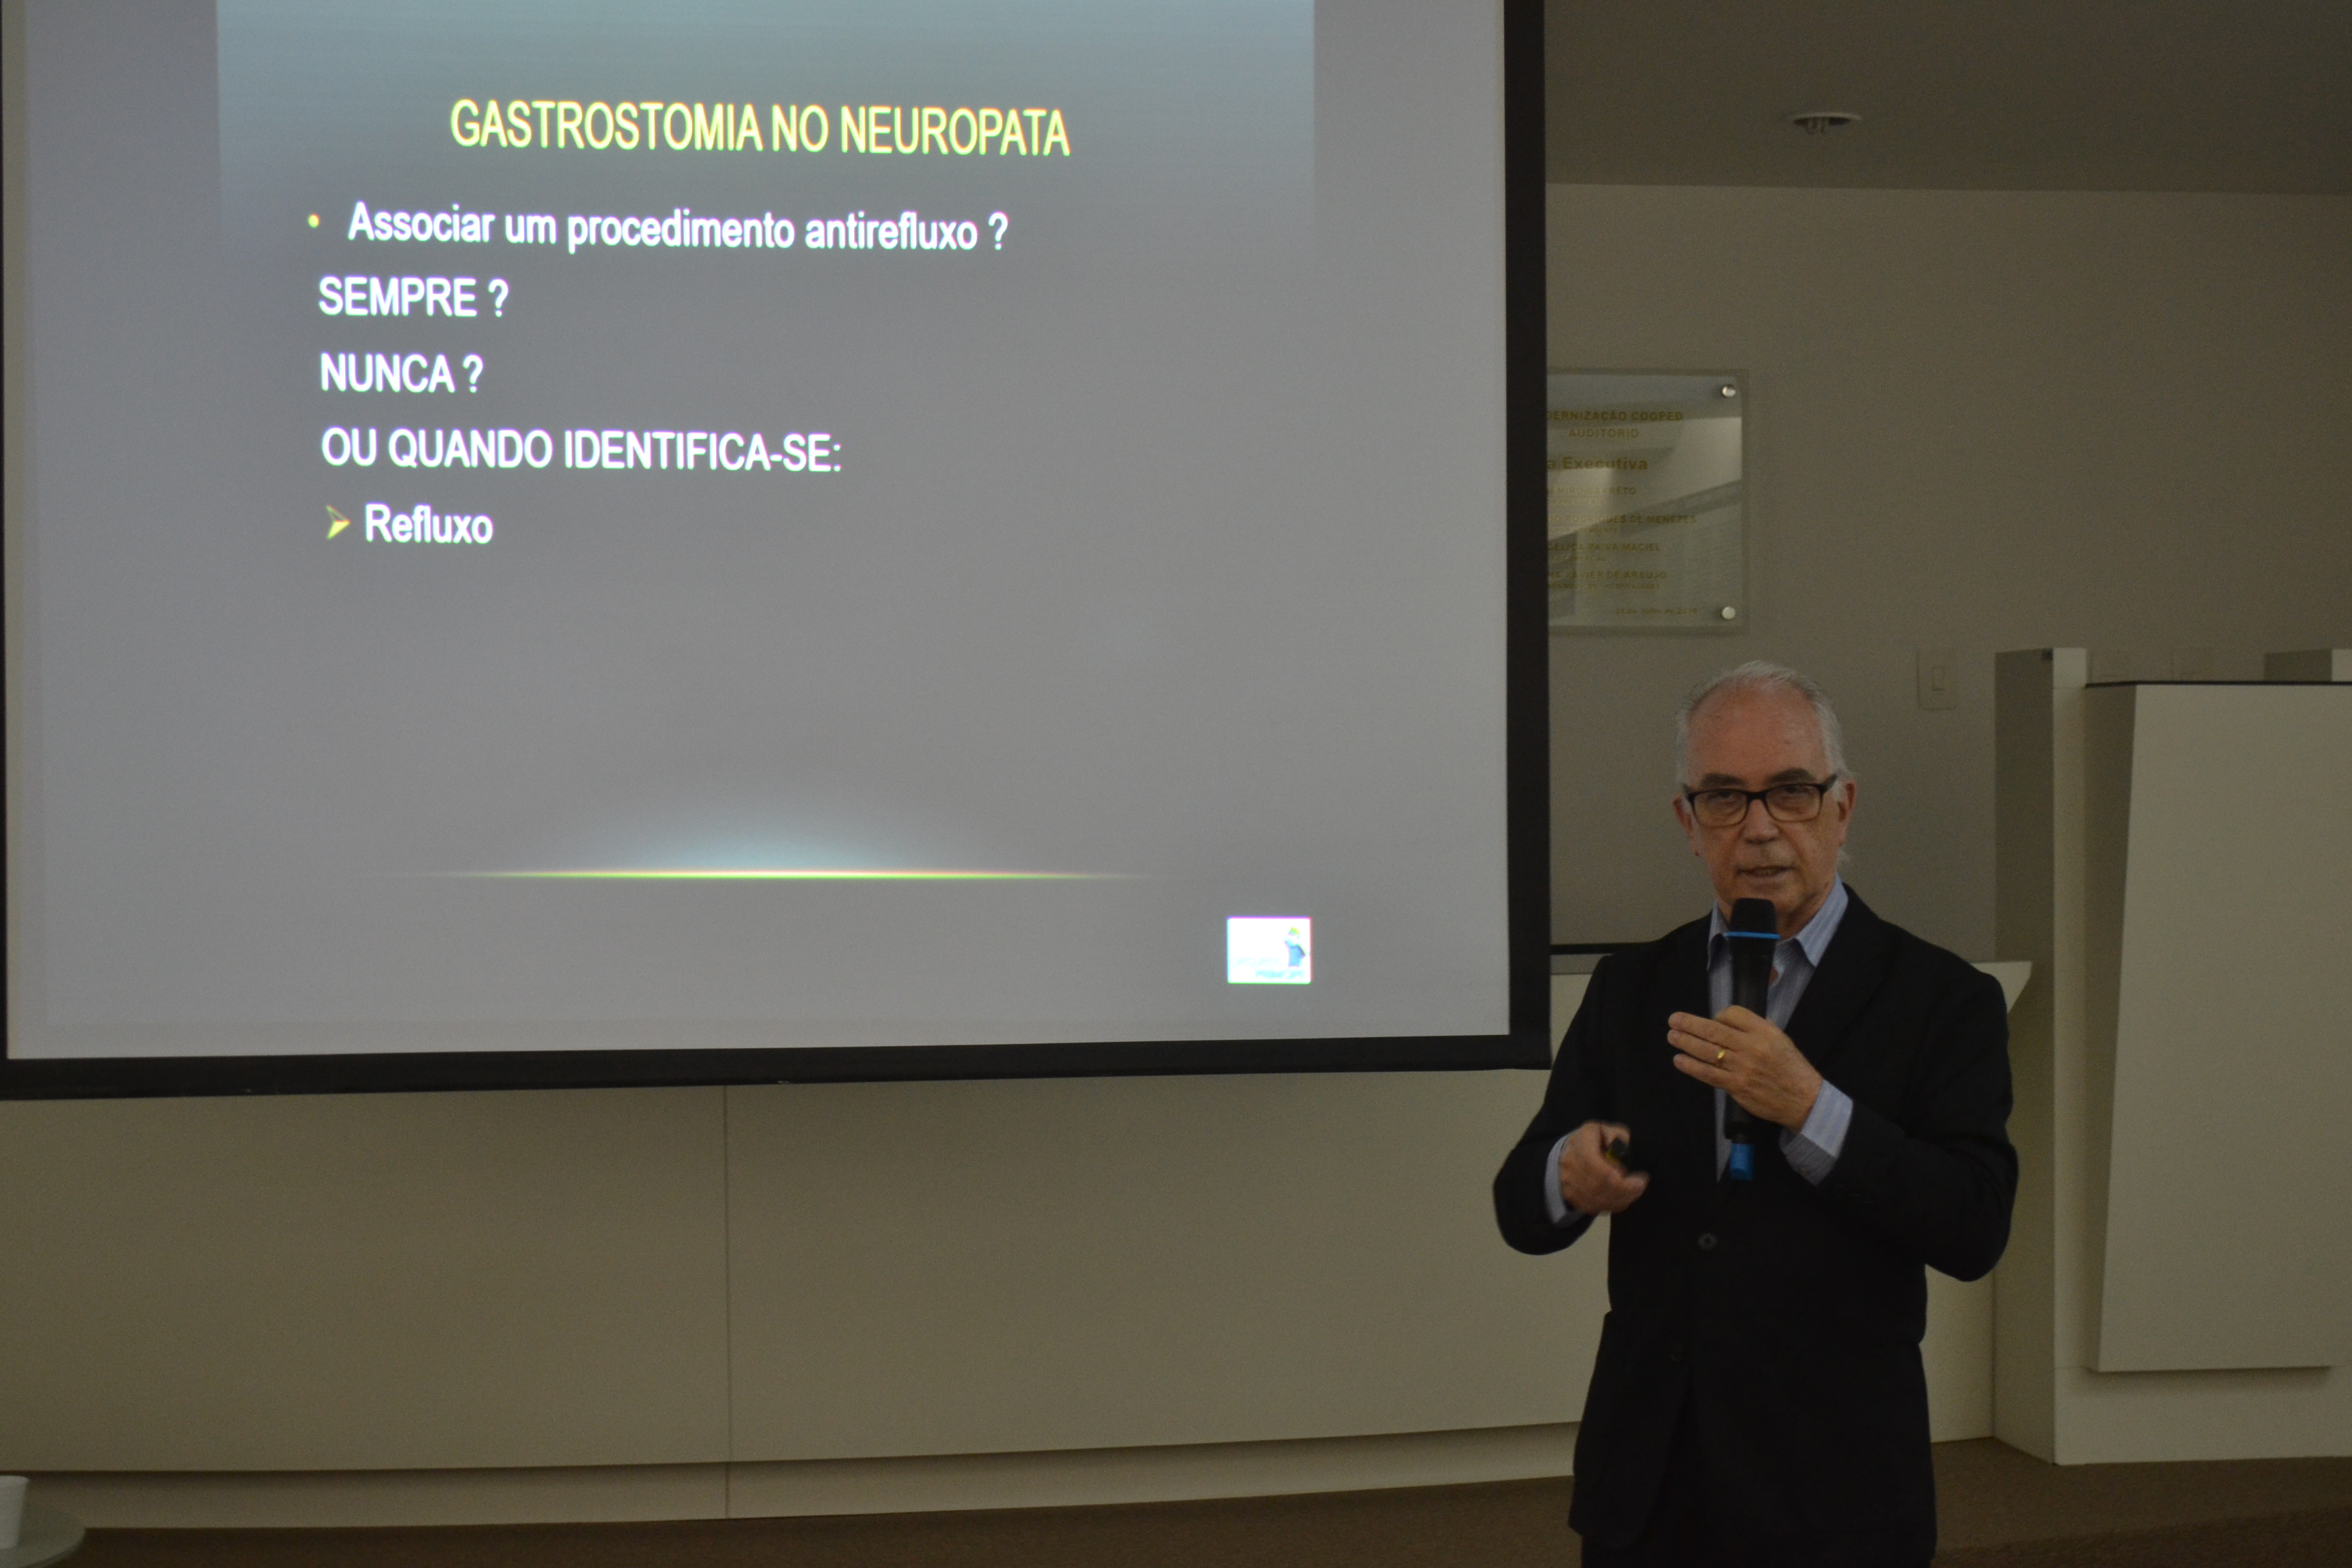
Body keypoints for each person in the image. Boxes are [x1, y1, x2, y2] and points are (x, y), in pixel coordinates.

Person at [1494, 662, 2016, 1567]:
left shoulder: (1942, 998)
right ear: (1687, 822)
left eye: (1792, 792)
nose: (1762, 828)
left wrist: (1811, 1108)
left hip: (1836, 1487)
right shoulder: (1632, 987)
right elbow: (1519, 1203)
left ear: (1843, 806)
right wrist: (1567, 1176)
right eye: (1726, 798)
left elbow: (1974, 1225)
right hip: (1651, 1478)